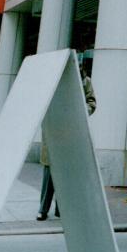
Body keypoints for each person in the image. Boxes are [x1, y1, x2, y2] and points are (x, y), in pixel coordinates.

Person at [37, 61, 96, 221]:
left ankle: (60, 209)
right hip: (54, 132)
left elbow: (91, 103)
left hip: (71, 133)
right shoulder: (52, 79)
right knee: (49, 175)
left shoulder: (84, 81)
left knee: (66, 176)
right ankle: (43, 209)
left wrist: (81, 113)